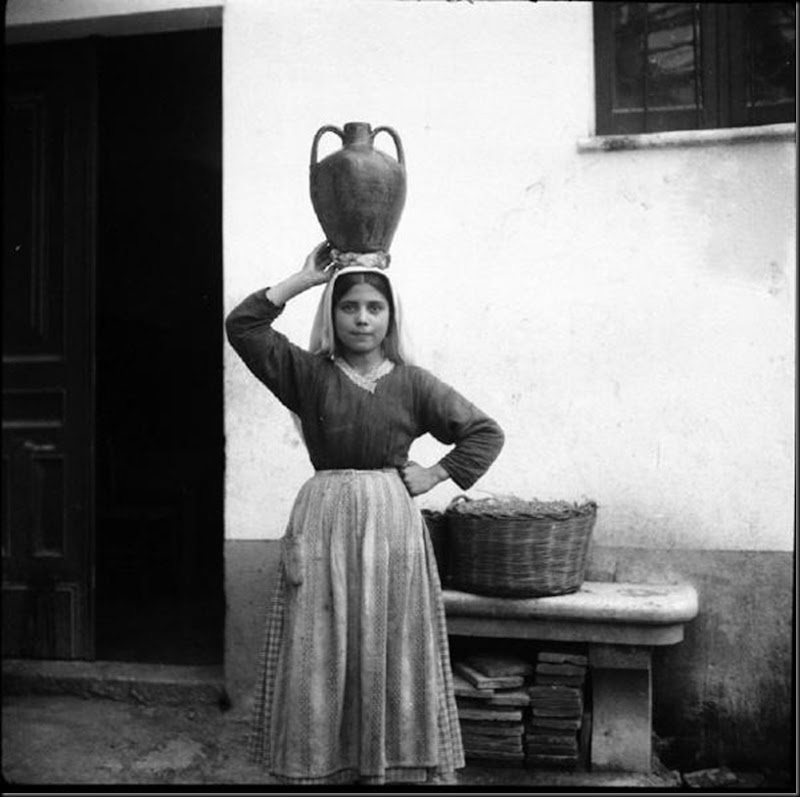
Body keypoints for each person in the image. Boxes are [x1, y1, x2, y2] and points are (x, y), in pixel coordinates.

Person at [225, 241, 504, 785]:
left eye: (375, 308)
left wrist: (434, 475)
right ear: (331, 314)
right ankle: (320, 764)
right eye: (348, 306)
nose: (361, 318)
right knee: (318, 644)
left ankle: (389, 766)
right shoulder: (306, 375)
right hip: (323, 520)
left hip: (390, 525)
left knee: (390, 641)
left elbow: (483, 432)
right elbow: (244, 327)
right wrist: (304, 280)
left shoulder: (414, 382)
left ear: (390, 317)